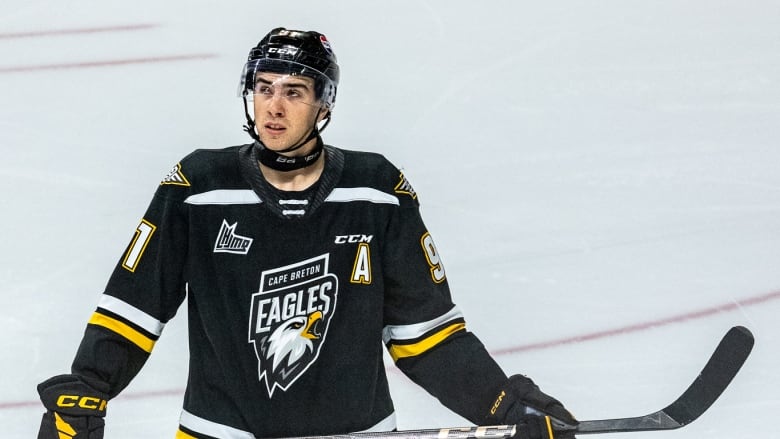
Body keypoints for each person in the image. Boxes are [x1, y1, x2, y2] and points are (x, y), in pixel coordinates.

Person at [36, 27, 578, 439]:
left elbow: (426, 337)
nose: (273, 106)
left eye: (294, 92)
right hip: (223, 432)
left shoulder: (376, 192)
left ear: (324, 105)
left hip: (354, 434)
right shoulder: (199, 188)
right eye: (263, 87)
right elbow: (134, 307)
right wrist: (88, 388)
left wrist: (504, 405)